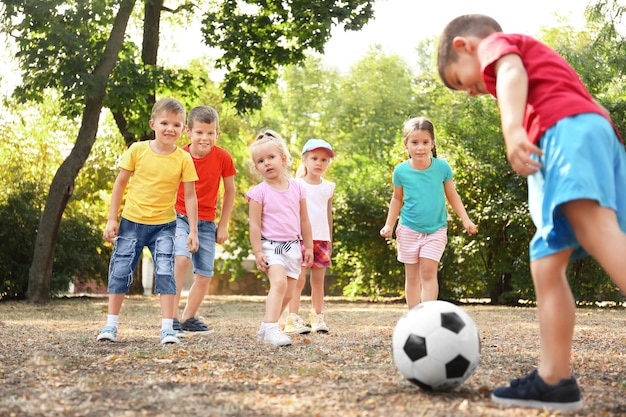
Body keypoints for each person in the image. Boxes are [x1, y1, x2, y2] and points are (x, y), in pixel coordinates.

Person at [437, 14, 626, 412]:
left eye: (460, 81)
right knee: (545, 264)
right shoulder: (523, 64)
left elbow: (508, 69)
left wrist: (513, 129)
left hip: (565, 130)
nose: (470, 92)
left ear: (464, 47)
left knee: (597, 232)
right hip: (581, 134)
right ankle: (554, 381)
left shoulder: (497, 45)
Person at [97, 98, 199, 345]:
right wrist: (112, 218)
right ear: (153, 123)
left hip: (165, 226)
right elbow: (120, 183)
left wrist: (193, 230)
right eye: (164, 123)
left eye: (176, 124)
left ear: (183, 129)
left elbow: (190, 195)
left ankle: (167, 328)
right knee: (120, 271)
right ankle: (111, 325)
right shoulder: (137, 150)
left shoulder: (183, 159)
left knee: (166, 272)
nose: (169, 129)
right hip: (131, 222)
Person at [379, 116, 477, 309]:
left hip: (436, 230)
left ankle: (427, 316)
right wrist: (389, 224)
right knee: (413, 277)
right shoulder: (401, 171)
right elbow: (397, 199)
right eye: (415, 142)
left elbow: (452, 195)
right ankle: (414, 317)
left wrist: (466, 219)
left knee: (428, 274)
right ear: (406, 144)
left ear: (432, 143)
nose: (420, 147)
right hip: (408, 229)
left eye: (425, 142)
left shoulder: (442, 168)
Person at [172, 105, 236, 336]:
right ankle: (170, 318)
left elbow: (230, 192)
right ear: (188, 131)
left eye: (210, 133)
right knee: (180, 261)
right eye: (199, 132)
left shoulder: (223, 157)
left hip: (207, 222)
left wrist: (224, 224)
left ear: (217, 133)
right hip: (180, 217)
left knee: (205, 274)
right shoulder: (179, 155)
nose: (205, 138)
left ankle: (188, 318)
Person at [245, 129, 314, 347]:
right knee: (279, 283)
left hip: (293, 246)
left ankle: (266, 328)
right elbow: (254, 225)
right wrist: (257, 252)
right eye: (260, 161)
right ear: (256, 167)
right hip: (270, 246)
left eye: (271, 157)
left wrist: (309, 247)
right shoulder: (258, 192)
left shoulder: (297, 188)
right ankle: (273, 327)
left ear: (283, 159)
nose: (266, 163)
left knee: (289, 291)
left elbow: (305, 220)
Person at [284, 139, 336, 334]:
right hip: (299, 239)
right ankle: (292, 318)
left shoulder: (328, 187)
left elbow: (328, 214)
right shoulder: (296, 185)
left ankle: (317, 317)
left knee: (318, 281)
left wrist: (329, 239)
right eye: (314, 158)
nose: (319, 163)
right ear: (304, 160)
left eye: (323, 159)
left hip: (321, 240)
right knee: (298, 280)